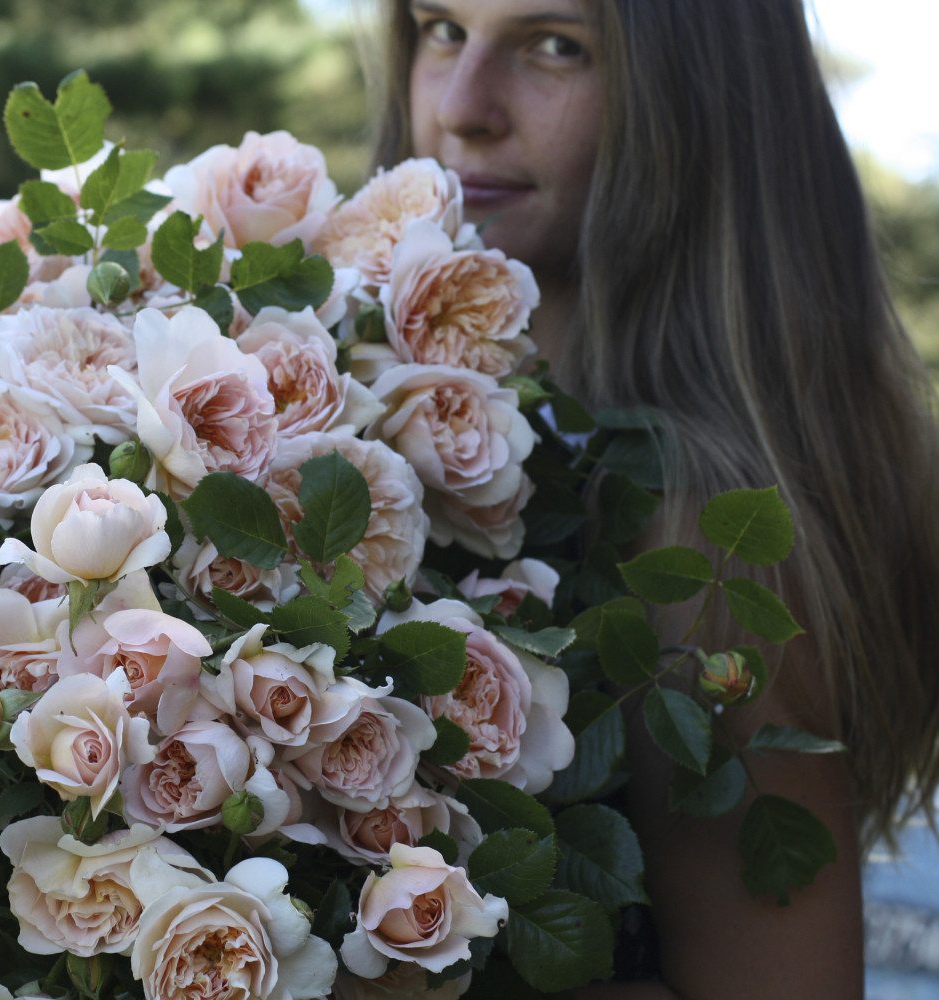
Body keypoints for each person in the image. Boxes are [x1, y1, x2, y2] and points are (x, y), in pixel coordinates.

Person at [370, 0, 939, 996]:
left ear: (700, 103)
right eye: (441, 27)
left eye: (557, 46)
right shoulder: (362, 419)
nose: (462, 107)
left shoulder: (703, 531)